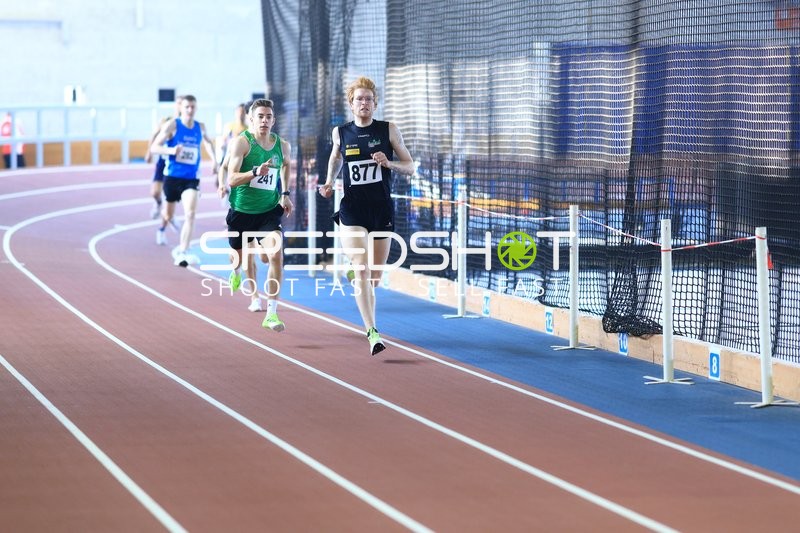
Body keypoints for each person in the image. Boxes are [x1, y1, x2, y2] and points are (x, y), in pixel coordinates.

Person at [318, 76, 415, 355]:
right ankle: (373, 331)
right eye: (359, 99)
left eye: (369, 99)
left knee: (373, 277)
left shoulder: (389, 131)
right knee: (361, 266)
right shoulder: (341, 132)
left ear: (375, 103)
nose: (364, 103)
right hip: (353, 209)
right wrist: (328, 181)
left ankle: (356, 275)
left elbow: (410, 167)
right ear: (351, 103)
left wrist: (390, 163)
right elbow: (336, 158)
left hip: (381, 209)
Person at [224, 98, 293, 331]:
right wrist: (254, 172)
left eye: (268, 117)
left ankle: (271, 313)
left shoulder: (282, 145)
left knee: (275, 255)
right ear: (251, 119)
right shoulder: (242, 144)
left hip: (268, 212)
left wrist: (285, 193)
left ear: (274, 120)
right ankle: (235, 272)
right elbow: (231, 178)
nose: (264, 120)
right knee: (240, 258)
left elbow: (286, 166)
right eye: (260, 116)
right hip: (241, 212)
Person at [149, 94, 218, 266]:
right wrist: (172, 151)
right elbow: (154, 147)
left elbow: (208, 143)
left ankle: (183, 250)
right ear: (181, 108)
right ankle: (168, 218)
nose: (190, 110)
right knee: (168, 214)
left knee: (190, 214)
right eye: (187, 107)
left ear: (196, 108)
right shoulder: (173, 125)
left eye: (193, 107)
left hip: (191, 179)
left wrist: (215, 161)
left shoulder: (200, 127)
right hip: (172, 177)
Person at [144, 95, 183, 219]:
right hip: (163, 160)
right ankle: (158, 202)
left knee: (171, 195)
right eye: (178, 103)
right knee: (155, 192)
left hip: (179, 163)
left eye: (182, 103)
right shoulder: (165, 120)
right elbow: (154, 135)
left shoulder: (188, 124)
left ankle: (168, 216)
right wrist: (149, 152)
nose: (180, 106)